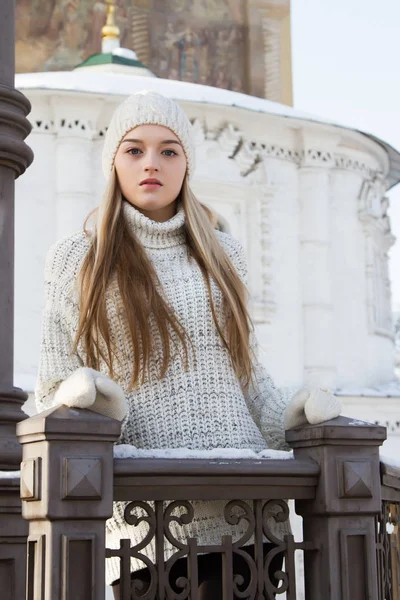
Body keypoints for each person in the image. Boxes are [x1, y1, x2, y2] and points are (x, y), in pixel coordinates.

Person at [35, 90, 341, 599]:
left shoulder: (224, 256)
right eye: (134, 150)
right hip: (151, 523)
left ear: (186, 165)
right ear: (114, 161)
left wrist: (297, 410)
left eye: (168, 150)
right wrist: (88, 396)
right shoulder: (77, 259)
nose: (151, 163)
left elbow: (248, 383)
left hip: (249, 515)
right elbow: (51, 390)